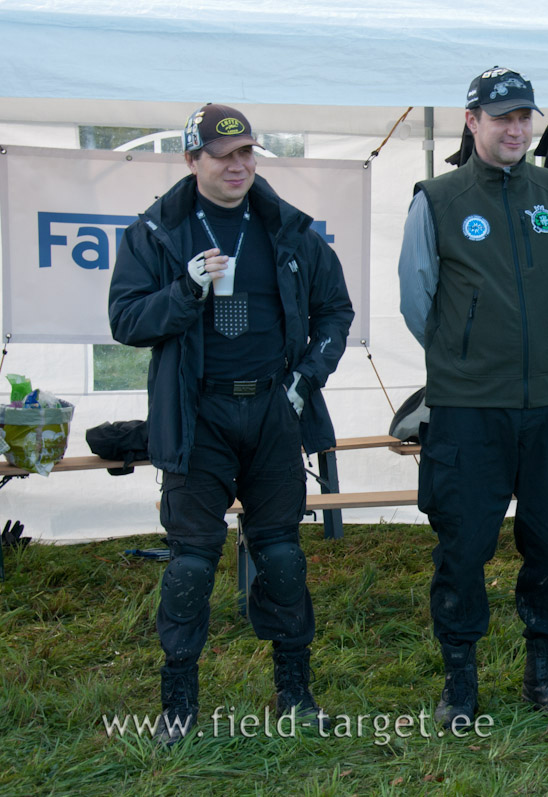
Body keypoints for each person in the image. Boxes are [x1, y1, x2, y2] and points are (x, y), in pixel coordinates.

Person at [108, 103, 354, 745]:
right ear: (192, 162)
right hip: (198, 414)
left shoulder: (288, 228)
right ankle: (178, 705)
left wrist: (307, 379)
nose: (239, 165)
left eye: (247, 153)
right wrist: (183, 292)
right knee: (191, 562)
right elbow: (127, 322)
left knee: (282, 556)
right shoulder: (158, 232)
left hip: (275, 408)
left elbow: (335, 310)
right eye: (223, 156)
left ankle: (295, 693)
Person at [398, 67, 548, 728]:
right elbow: (416, 298)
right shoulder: (438, 197)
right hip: (468, 408)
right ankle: (460, 680)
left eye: (523, 117)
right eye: (501, 116)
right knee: (463, 544)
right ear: (472, 120)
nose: (515, 128)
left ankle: (545, 672)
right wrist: (466, 352)